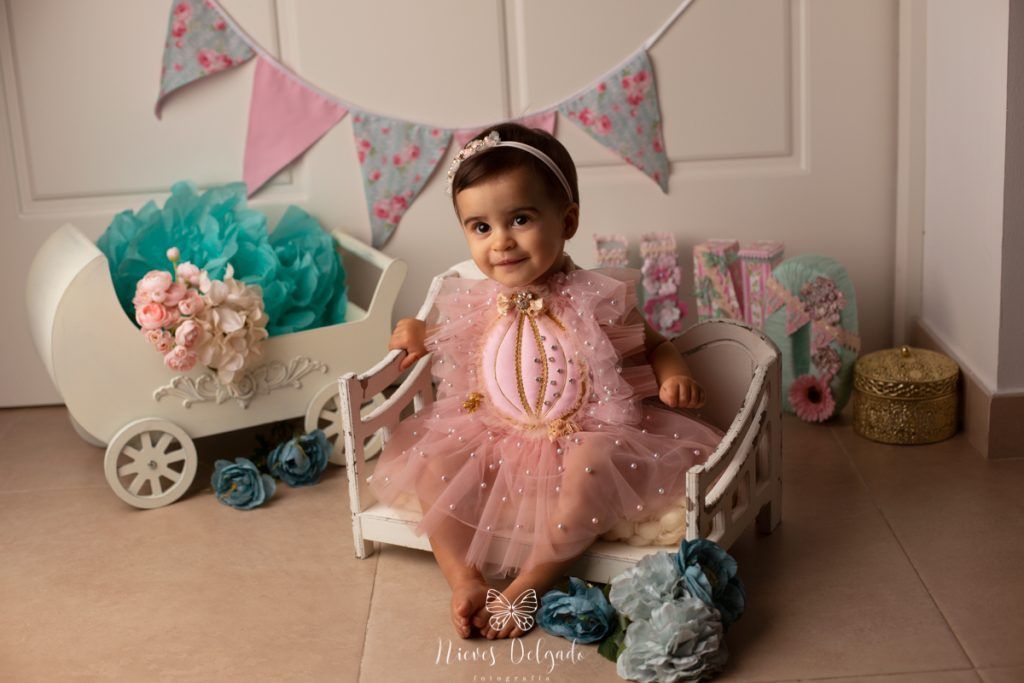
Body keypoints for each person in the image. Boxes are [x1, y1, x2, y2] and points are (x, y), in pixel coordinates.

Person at [369, 122, 722, 640]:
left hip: (584, 432)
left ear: (567, 220)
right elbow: (450, 339)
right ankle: (465, 579)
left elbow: (656, 344)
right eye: (480, 227)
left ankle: (530, 583)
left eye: (520, 219)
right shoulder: (477, 300)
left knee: (591, 466)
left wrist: (675, 375)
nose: (501, 242)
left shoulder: (596, 297)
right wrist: (419, 332)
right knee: (435, 459)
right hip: (497, 432)